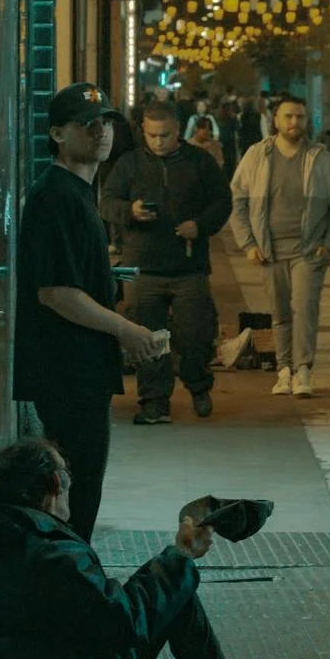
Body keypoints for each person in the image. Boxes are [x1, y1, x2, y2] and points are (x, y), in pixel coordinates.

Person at [0, 439, 301, 659]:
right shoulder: (53, 557)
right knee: (173, 583)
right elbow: (121, 624)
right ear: (56, 484)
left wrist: (172, 566)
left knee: (170, 583)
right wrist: (181, 555)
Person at [14, 83, 163, 541]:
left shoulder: (79, 193)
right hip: (65, 369)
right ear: (58, 134)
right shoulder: (54, 196)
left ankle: (72, 565)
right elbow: (56, 292)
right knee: (71, 488)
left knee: (83, 483)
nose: (101, 132)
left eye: (106, 123)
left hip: (82, 368)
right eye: (87, 124)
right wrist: (125, 329)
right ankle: (68, 569)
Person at [100, 101, 233, 425]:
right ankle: (154, 400)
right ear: (143, 132)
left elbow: (222, 201)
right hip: (142, 267)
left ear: (178, 131)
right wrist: (130, 212)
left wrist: (200, 226)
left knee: (195, 334)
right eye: (152, 135)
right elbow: (107, 203)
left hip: (188, 266)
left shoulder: (199, 162)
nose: (159, 142)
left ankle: (198, 385)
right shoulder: (130, 164)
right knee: (148, 338)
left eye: (165, 135)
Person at [228, 94, 330, 400]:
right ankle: (283, 369)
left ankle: (303, 369)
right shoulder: (258, 155)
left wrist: (329, 244)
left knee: (305, 308)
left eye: (300, 117)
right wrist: (248, 244)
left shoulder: (319, 157)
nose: (295, 122)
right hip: (270, 250)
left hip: (308, 250)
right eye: (288, 116)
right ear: (276, 120)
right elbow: (237, 199)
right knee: (279, 311)